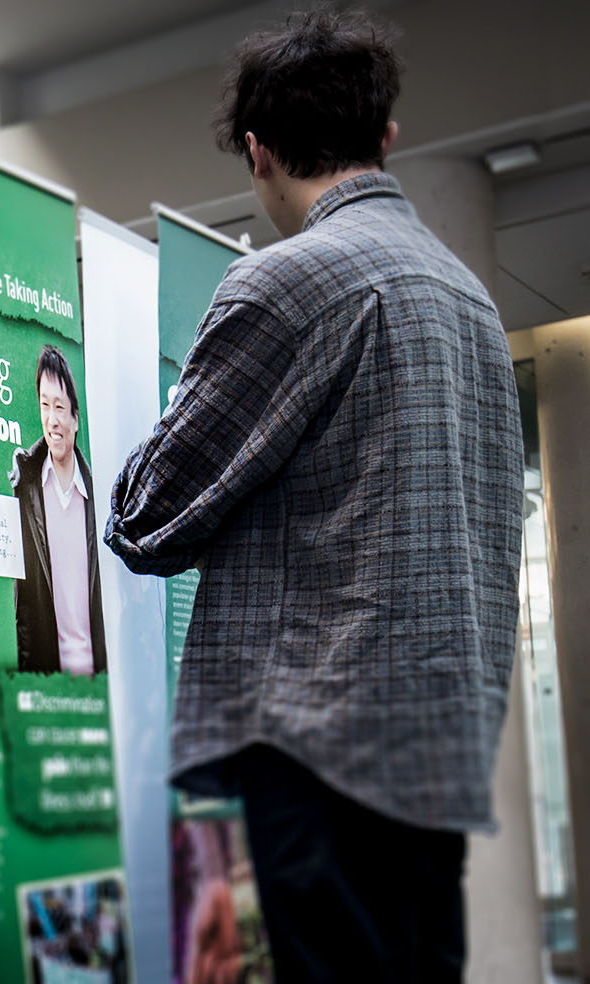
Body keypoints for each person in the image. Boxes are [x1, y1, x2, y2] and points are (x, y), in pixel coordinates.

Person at [104, 10, 521, 980]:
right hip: (435, 753)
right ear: (384, 135)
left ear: (256, 151)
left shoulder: (284, 284)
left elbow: (144, 516)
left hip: (322, 752)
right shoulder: (467, 297)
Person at [9, 345, 106, 676]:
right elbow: (24, 606)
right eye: (44, 405)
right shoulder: (26, 487)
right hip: (51, 685)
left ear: (75, 419)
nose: (52, 420)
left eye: (60, 407)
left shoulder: (98, 495)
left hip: (99, 684)